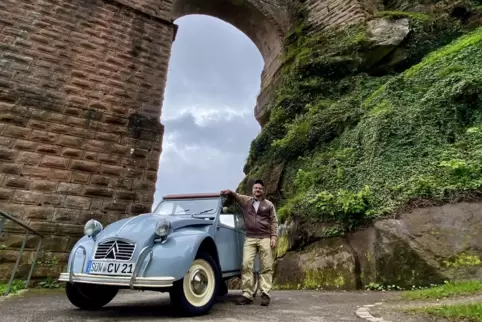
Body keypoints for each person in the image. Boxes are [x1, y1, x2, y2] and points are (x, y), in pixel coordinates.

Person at [220, 179, 278, 306]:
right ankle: (247, 294)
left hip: (265, 237)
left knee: (266, 266)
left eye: (260, 188)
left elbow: (273, 221)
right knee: (246, 264)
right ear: (252, 190)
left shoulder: (269, 205)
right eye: (255, 188)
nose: (257, 190)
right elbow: (236, 196)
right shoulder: (246, 201)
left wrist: (273, 237)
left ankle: (265, 294)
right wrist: (230, 192)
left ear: (263, 190)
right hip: (250, 237)